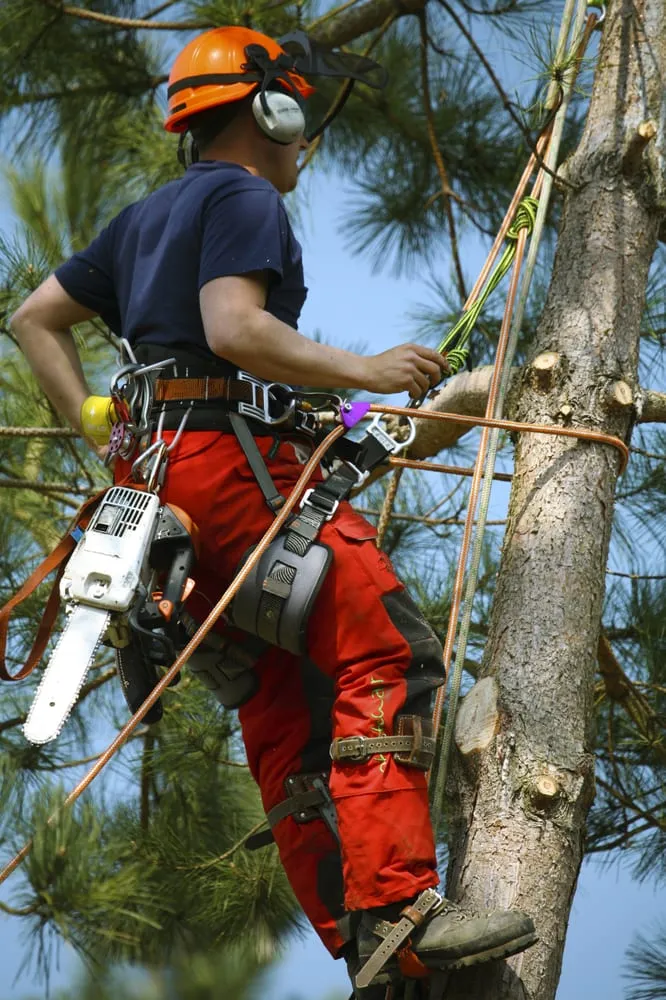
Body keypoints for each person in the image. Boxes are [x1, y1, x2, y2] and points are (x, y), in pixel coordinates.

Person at [10, 26, 535, 995]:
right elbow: (234, 329)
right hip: (230, 474)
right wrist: (369, 368)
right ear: (272, 109)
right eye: (300, 112)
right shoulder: (245, 194)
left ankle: (366, 950)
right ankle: (397, 904)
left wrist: (102, 429)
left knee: (281, 703)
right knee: (387, 650)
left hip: (158, 489)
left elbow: (33, 318)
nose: (306, 141)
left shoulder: (143, 217)